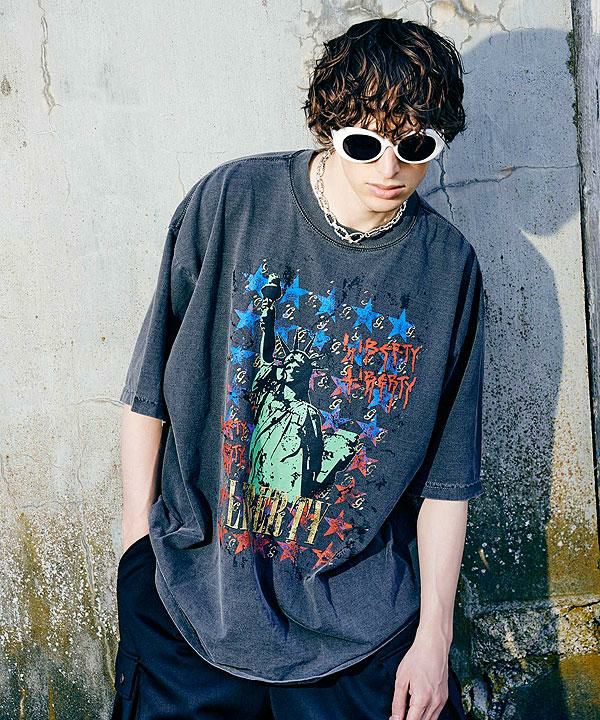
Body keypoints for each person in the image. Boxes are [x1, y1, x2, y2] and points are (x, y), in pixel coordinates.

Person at [112, 16, 485, 720]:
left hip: (358, 632)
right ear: (328, 128)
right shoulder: (232, 202)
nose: (389, 168)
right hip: (190, 608)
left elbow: (447, 476)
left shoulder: (448, 269)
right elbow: (148, 391)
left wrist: (434, 639)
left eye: (415, 146)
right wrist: (138, 552)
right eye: (366, 143)